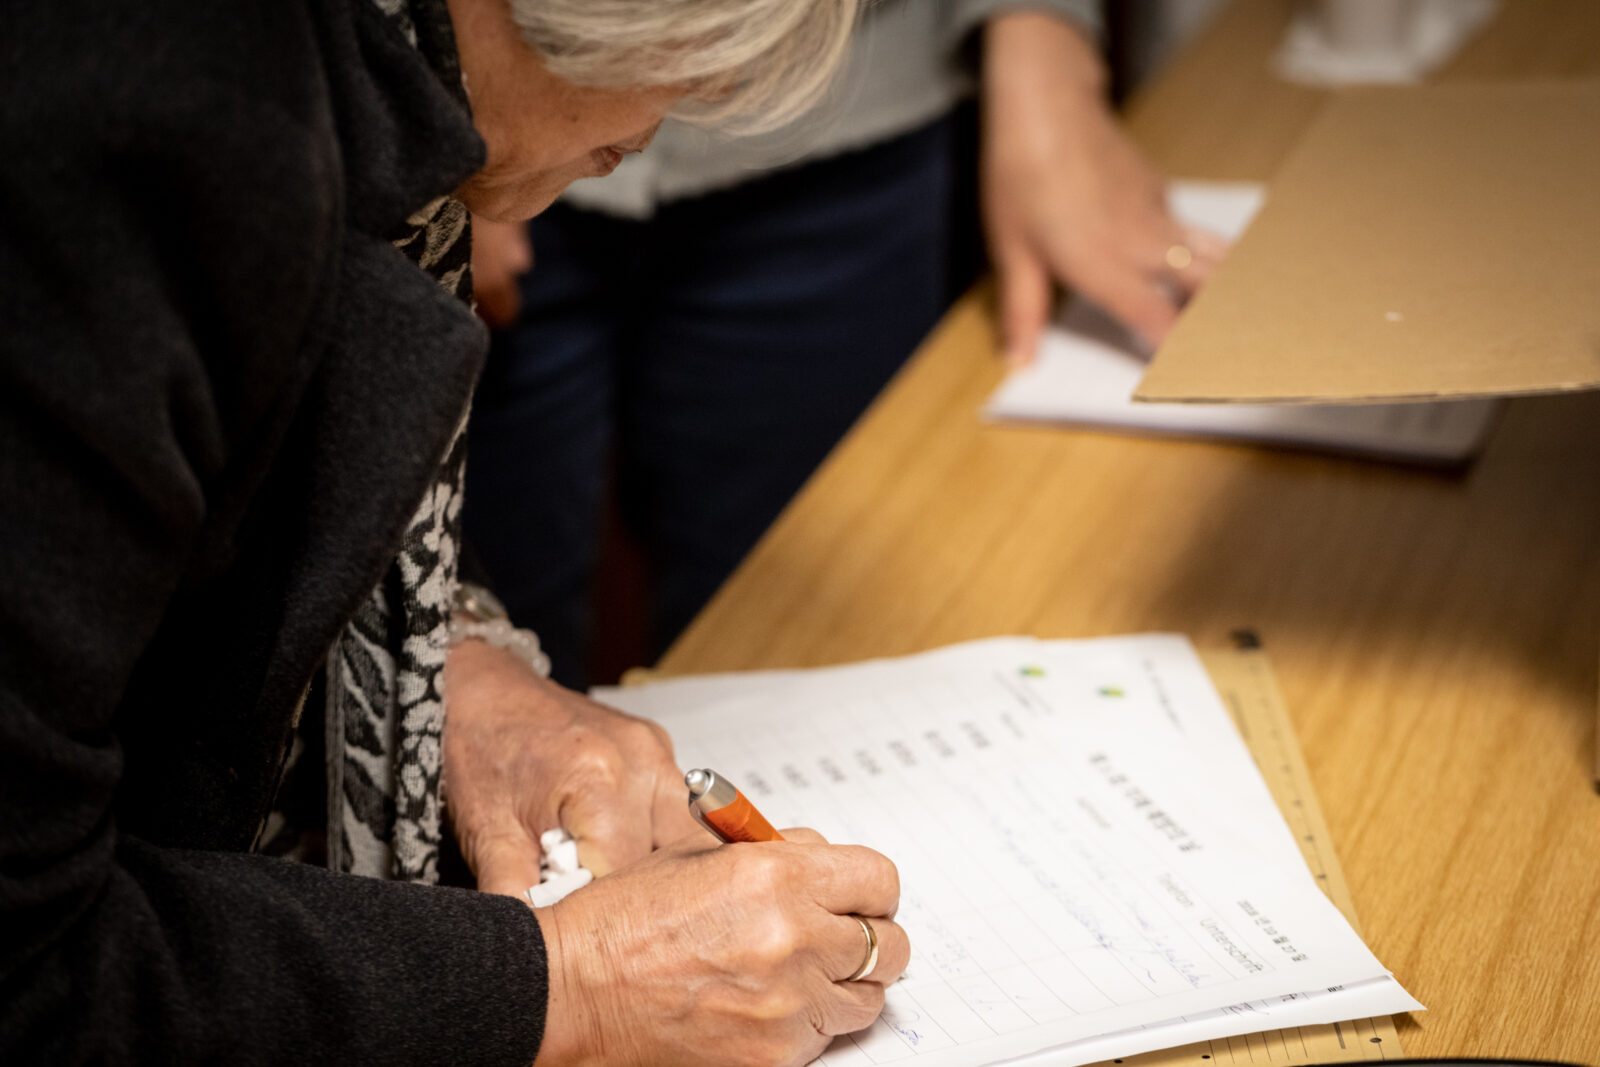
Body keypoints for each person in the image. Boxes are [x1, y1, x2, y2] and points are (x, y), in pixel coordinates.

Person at [0, 0, 910, 1064]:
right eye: (692, 34)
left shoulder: (370, 75)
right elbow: (28, 961)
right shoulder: (142, 125)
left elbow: (214, 507)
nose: (699, 103)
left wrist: (451, 664)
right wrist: (567, 987)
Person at [463, 0, 1227, 688]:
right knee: (484, 642)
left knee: (793, 650)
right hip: (490, 108)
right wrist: (455, 93)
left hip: (848, 123)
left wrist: (1041, 33)